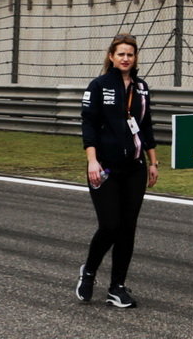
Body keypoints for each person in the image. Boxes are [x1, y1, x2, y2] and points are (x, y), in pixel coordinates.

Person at [76, 33, 158, 310]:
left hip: (134, 168)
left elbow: (146, 126)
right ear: (111, 56)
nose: (126, 58)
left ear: (135, 58)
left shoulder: (142, 87)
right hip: (105, 168)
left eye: (130, 54)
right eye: (121, 54)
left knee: (128, 229)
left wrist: (153, 161)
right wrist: (92, 161)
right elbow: (88, 125)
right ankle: (89, 270)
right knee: (110, 225)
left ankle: (117, 287)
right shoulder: (98, 86)